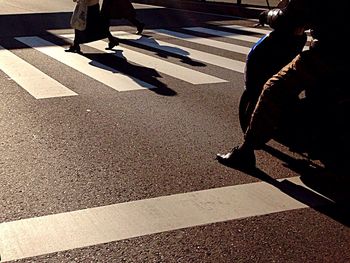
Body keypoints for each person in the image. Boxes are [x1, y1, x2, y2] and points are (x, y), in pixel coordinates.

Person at [216, 0, 350, 170]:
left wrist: (268, 15)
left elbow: (289, 18)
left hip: (331, 55)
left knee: (274, 88)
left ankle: (245, 152)